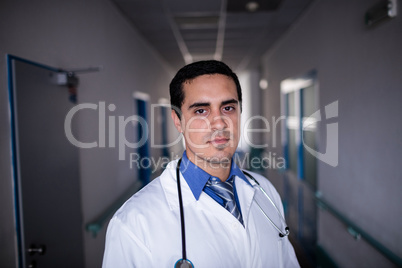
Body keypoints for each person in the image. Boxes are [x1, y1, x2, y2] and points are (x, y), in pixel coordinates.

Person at [102, 60, 300, 267]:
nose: (219, 122)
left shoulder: (265, 191)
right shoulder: (133, 222)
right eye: (201, 111)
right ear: (178, 120)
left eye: (228, 107)